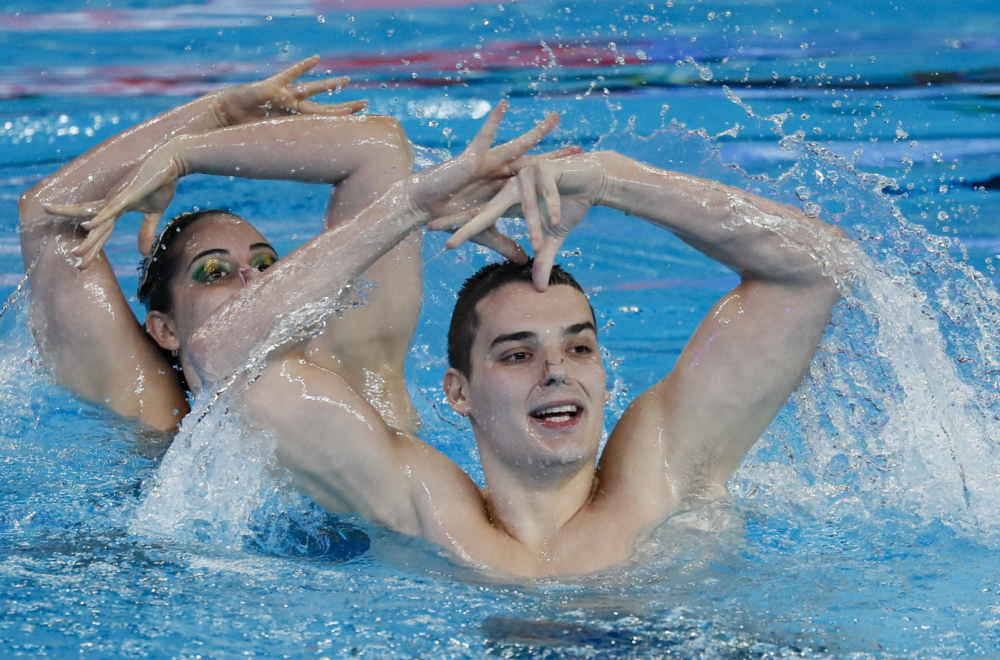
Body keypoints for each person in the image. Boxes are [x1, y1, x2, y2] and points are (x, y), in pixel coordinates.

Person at [74, 98, 850, 577]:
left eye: (579, 347)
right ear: (458, 393)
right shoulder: (424, 507)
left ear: (607, 373)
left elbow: (816, 271)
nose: (557, 373)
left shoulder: (664, 473)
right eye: (517, 354)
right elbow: (222, 357)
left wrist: (614, 180)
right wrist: (407, 207)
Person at [20, 57, 432, 434]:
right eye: (213, 272)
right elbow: (45, 216)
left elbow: (379, 149)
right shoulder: (157, 414)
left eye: (267, 265)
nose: (250, 277)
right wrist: (216, 112)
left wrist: (193, 149)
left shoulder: (349, 370)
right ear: (165, 331)